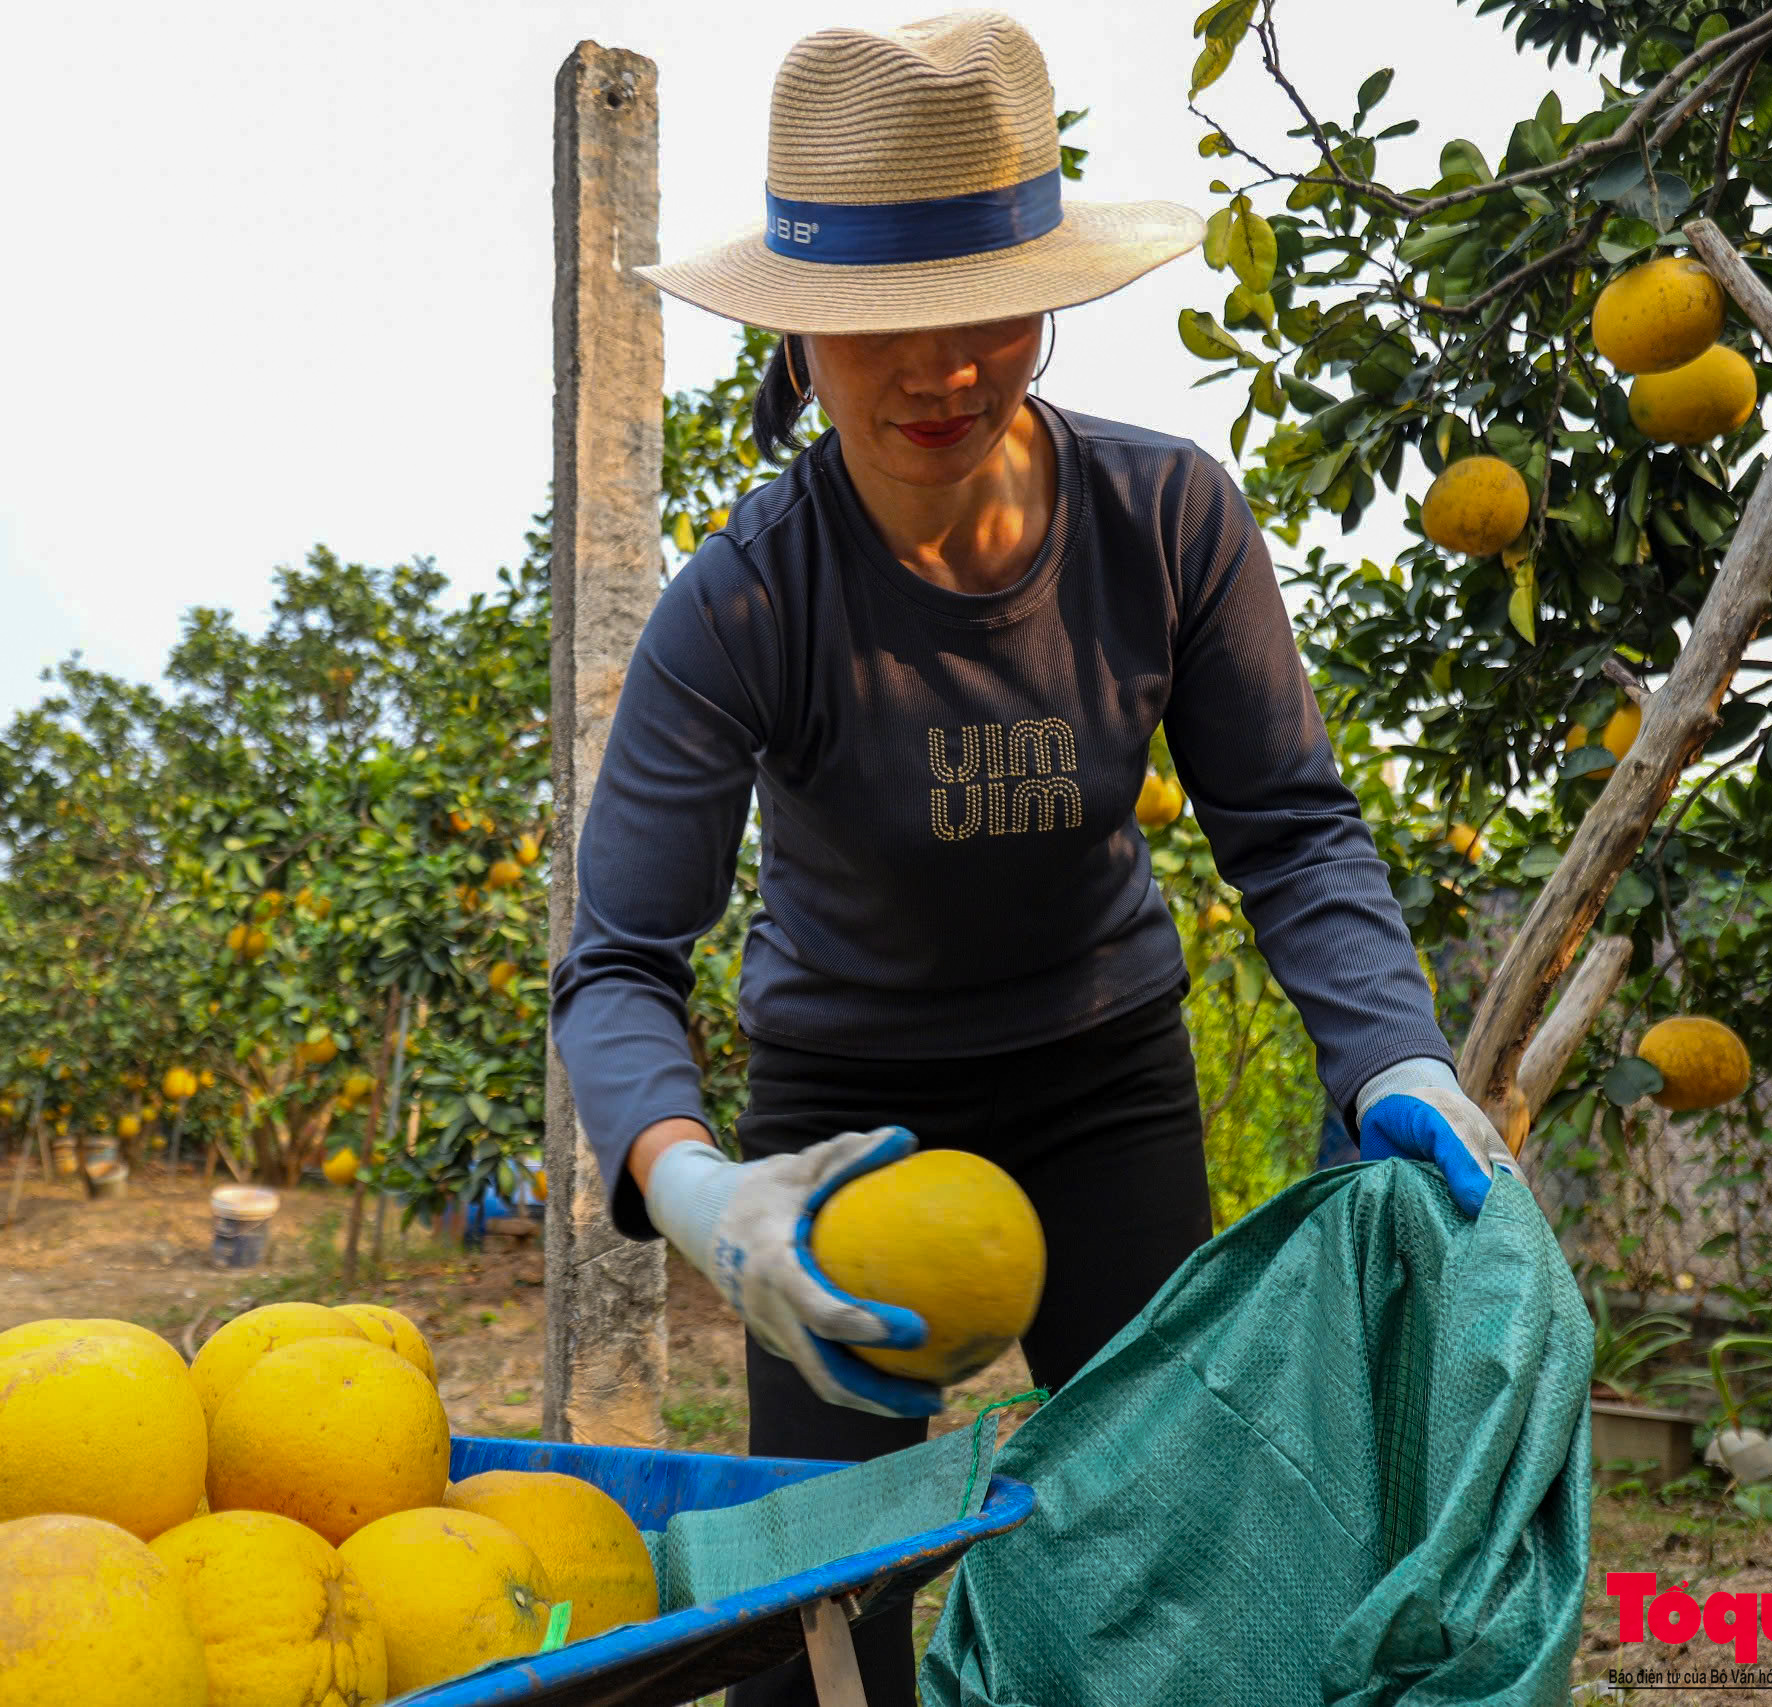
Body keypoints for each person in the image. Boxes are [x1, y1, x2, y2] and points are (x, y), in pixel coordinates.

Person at [546, 14, 1518, 1704]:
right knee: (819, 1618)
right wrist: (704, 1194)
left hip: (1105, 1088)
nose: (942, 371)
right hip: (841, 1131)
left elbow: (1288, 827)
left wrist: (1395, 1053)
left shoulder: (1167, 521)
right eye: (884, 330)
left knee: (1168, 1550)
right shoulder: (749, 605)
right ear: (802, 337)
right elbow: (620, 956)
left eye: (986, 310)